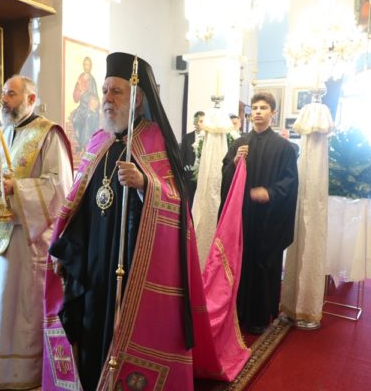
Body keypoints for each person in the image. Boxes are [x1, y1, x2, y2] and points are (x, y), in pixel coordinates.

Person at [43, 53, 231, 391]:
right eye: (104, 91)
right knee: (91, 320)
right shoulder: (99, 140)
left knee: (123, 323)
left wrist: (146, 185)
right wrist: (64, 248)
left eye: (116, 91)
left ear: (138, 97)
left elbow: (177, 204)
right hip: (93, 259)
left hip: (134, 261)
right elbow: (77, 200)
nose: (107, 99)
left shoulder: (157, 140)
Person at [0, 75, 73, 389]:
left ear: (31, 98)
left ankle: (25, 371)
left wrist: (18, 188)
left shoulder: (48, 134)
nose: (5, 100)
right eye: (3, 94)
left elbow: (60, 186)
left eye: (11, 94)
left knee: (23, 305)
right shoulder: (2, 130)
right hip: (1, 230)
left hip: (29, 236)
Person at [219, 92, 298, 335]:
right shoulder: (239, 143)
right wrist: (234, 163)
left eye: (263, 108)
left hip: (268, 218)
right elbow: (225, 176)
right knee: (241, 262)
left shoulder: (284, 148)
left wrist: (270, 192)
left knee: (264, 264)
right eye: (254, 108)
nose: (258, 112)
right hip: (243, 216)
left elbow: (290, 182)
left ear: (273, 113)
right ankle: (239, 312)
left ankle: (261, 316)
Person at [70, 56, 100, 151]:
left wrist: (91, 102)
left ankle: (86, 145)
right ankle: (80, 144)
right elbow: (76, 94)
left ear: (90, 66)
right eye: (85, 64)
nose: (86, 66)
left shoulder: (92, 80)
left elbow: (95, 96)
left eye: (88, 65)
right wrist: (79, 93)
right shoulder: (80, 78)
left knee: (89, 118)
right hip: (82, 107)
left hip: (90, 107)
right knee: (75, 120)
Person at [180, 110, 205, 206]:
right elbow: (182, 157)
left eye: (202, 121)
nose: (200, 124)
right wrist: (183, 172)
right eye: (199, 121)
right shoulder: (187, 137)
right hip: (189, 174)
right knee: (189, 201)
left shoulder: (208, 138)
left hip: (203, 174)